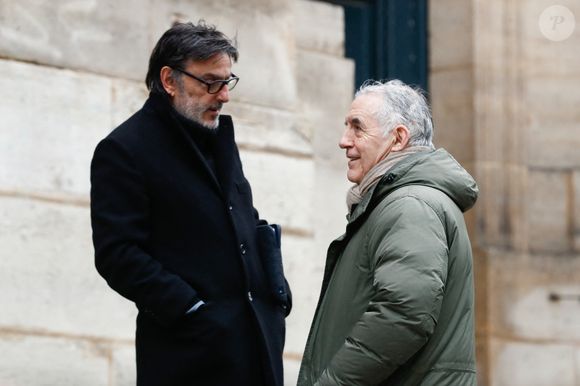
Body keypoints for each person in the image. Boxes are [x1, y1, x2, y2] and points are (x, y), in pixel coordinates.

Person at [90, 21, 291, 386]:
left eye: (227, 82)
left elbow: (245, 219)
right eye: (210, 82)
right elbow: (116, 253)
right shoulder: (124, 150)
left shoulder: (217, 138)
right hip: (188, 357)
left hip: (255, 346)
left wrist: (275, 293)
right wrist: (190, 308)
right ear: (169, 80)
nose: (223, 95)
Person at [297, 79, 478, 385]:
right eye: (346, 126)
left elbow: (403, 315)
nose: (343, 140)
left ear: (397, 139)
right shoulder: (400, 203)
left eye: (358, 128)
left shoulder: (411, 206)